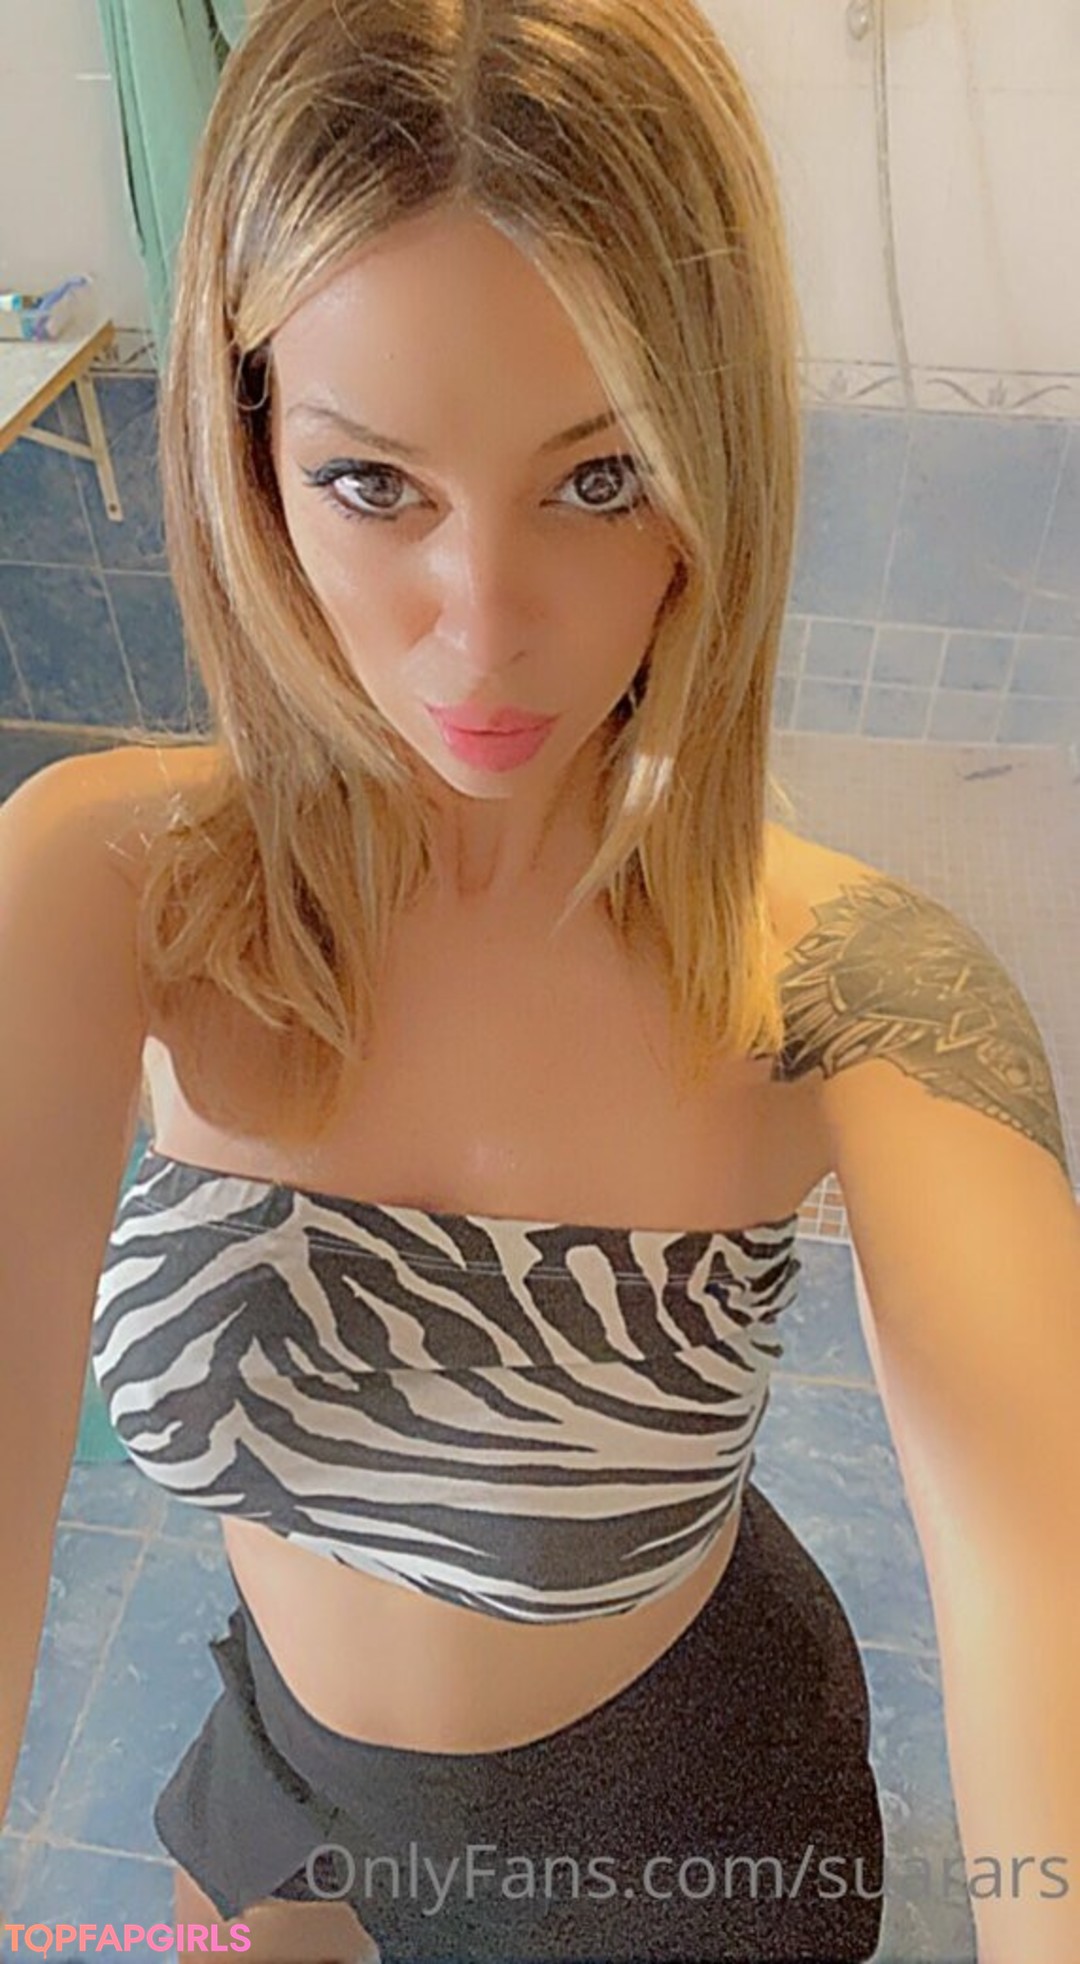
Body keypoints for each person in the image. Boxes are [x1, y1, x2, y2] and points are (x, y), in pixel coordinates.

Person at [4, 2, 1077, 1962]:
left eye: (600, 480)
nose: (482, 632)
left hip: (674, 1844)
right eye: (374, 483)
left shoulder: (862, 1002)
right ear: (251, 455)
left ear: (714, 471)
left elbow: (1047, 1613)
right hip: (282, 1782)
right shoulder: (103, 892)